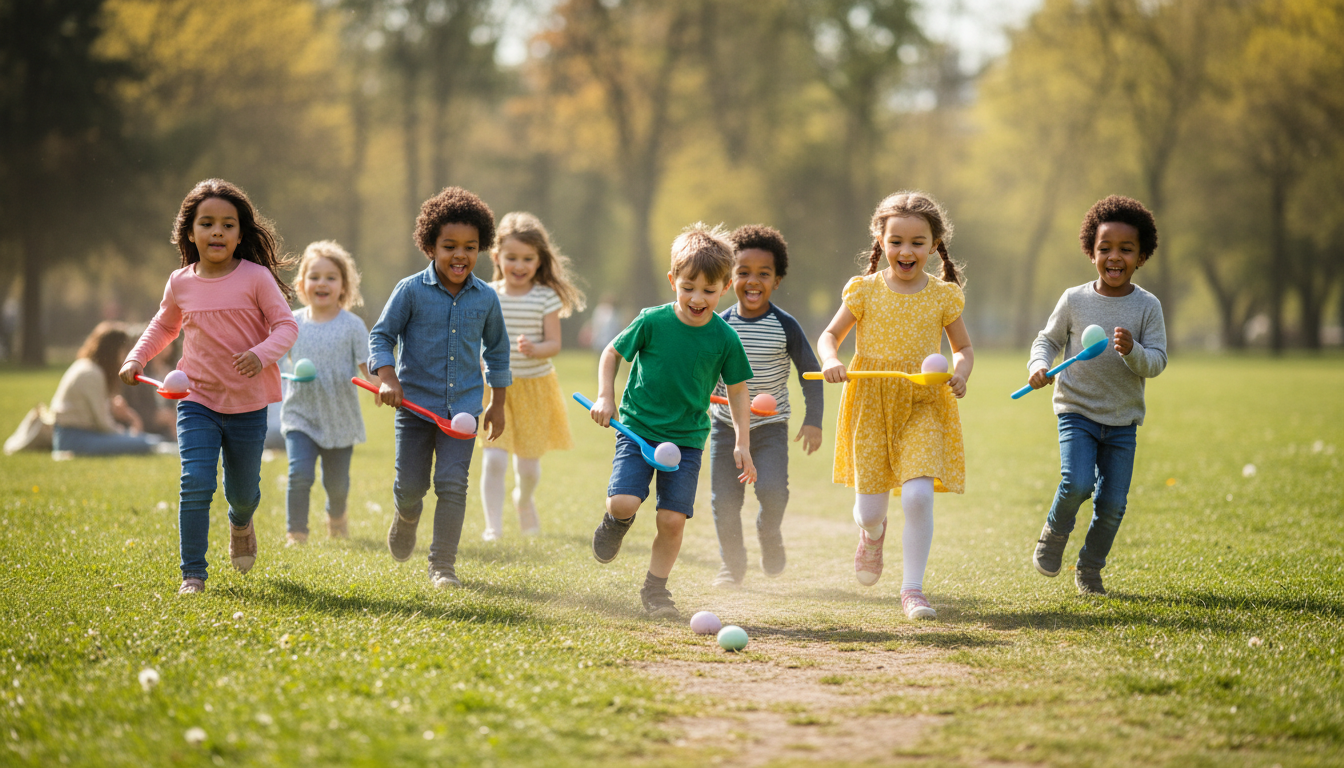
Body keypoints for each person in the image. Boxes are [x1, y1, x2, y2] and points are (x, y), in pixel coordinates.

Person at [120, 179, 298, 595]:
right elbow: (164, 325)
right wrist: (136, 357)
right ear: (189, 232)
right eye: (207, 223)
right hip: (195, 399)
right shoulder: (180, 282)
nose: (217, 231)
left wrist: (261, 354)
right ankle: (193, 574)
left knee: (243, 492)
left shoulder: (256, 278)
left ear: (240, 234)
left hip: (248, 404)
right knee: (196, 480)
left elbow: (286, 326)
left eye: (228, 224)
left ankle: (241, 522)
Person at [587, 223, 757, 619]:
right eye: (688, 287)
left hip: (686, 440)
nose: (697, 298)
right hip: (637, 429)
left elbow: (737, 391)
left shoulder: (725, 338)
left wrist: (741, 442)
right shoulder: (652, 321)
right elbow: (611, 353)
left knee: (672, 519)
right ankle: (615, 521)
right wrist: (605, 396)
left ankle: (655, 590)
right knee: (625, 501)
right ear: (672, 281)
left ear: (725, 287)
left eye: (709, 290)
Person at [817, 191, 974, 621]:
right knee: (869, 511)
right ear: (881, 241)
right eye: (897, 241)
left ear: (933, 244)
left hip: (924, 401)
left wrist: (960, 372)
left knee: (919, 496)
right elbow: (829, 336)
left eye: (918, 242)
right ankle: (872, 535)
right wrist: (831, 360)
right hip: (870, 402)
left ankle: (913, 589)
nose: (907, 251)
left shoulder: (943, 296)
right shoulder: (864, 291)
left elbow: (962, 348)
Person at [369, 186, 511, 589]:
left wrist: (496, 404)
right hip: (414, 408)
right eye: (449, 246)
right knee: (410, 486)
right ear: (430, 245)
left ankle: (442, 564)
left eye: (470, 247)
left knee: (453, 484)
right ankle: (406, 515)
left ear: (481, 247)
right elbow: (381, 336)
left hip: (462, 413)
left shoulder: (486, 299)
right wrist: (388, 379)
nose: (460, 256)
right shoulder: (410, 290)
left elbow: (498, 353)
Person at [1028, 195, 1167, 596]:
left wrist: (1133, 352)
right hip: (1077, 411)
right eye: (1105, 248)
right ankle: (1054, 532)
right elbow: (1046, 341)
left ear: (1141, 256)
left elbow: (1157, 362)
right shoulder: (1075, 299)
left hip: (1123, 421)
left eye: (1126, 249)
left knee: (1112, 506)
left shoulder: (1147, 307)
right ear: (1092, 251)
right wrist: (1037, 366)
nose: (1114, 257)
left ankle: (1089, 567)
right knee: (1075, 483)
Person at [708, 225, 824, 587]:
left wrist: (814, 420)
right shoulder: (719, 325)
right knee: (724, 502)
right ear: (730, 278)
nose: (752, 281)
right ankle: (732, 565)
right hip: (726, 426)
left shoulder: (784, 325)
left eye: (764, 274)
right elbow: (705, 376)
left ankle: (768, 532)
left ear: (777, 280)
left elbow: (810, 373)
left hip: (771, 429)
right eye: (743, 272)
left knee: (773, 492)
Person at [478, 212, 586, 540]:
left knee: (528, 468)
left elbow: (554, 343)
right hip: (495, 390)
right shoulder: (487, 293)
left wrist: (536, 348)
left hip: (535, 387)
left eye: (528, 258)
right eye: (512, 258)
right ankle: (493, 527)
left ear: (540, 261)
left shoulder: (545, 297)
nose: (519, 265)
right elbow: (477, 338)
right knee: (494, 460)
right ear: (497, 257)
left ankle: (523, 500)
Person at [281, 240, 376, 546]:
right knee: (299, 474)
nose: (322, 283)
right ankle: (296, 532)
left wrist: (381, 383)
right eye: (315, 276)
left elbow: (367, 364)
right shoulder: (291, 323)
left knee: (337, 484)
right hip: (301, 413)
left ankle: (336, 517)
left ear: (344, 286)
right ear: (302, 283)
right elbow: (276, 360)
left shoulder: (352, 325)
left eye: (331, 277)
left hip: (340, 416)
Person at [51, 321, 163, 456]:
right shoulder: (91, 373)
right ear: (113, 351)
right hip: (74, 439)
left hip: (75, 437)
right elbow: (103, 424)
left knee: (140, 440)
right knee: (140, 443)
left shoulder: (87, 367)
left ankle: (158, 443)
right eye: (123, 351)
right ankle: (162, 446)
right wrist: (126, 435)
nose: (124, 357)